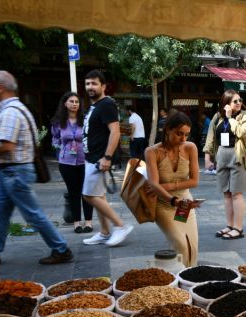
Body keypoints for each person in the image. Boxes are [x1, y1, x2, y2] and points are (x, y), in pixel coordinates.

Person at [0, 71, 73, 264]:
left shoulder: (11, 112)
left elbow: (7, 145)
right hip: (10, 172)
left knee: (32, 214)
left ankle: (61, 249)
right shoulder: (16, 109)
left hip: (14, 172)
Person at [81, 69, 134, 247]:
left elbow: (115, 131)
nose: (90, 86)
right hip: (92, 157)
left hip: (99, 158)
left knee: (88, 195)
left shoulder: (106, 104)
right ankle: (105, 232)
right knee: (99, 196)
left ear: (103, 86)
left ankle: (120, 225)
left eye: (94, 83)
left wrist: (107, 157)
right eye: (88, 83)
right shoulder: (95, 105)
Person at [145, 111, 203, 267]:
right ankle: (174, 278)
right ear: (168, 129)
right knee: (180, 244)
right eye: (179, 134)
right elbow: (154, 185)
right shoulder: (152, 152)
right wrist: (172, 199)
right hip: (164, 204)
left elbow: (194, 181)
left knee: (192, 246)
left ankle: (186, 278)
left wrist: (167, 186)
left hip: (184, 203)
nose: (183, 139)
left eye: (186, 135)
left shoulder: (190, 148)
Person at [203, 89, 246, 240]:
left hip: (238, 156)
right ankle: (230, 225)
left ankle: (238, 228)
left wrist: (230, 118)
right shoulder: (217, 116)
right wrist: (207, 157)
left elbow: (241, 133)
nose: (239, 103)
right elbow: (210, 137)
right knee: (226, 193)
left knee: (236, 193)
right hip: (222, 156)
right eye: (235, 101)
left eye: (240, 100)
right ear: (226, 103)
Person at [51, 91, 93, 234]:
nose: (74, 104)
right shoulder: (58, 121)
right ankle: (76, 223)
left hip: (84, 161)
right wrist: (61, 148)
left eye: (77, 102)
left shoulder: (85, 119)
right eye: (71, 101)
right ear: (65, 104)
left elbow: (92, 137)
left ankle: (88, 222)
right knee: (73, 193)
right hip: (66, 162)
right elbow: (55, 138)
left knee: (86, 192)